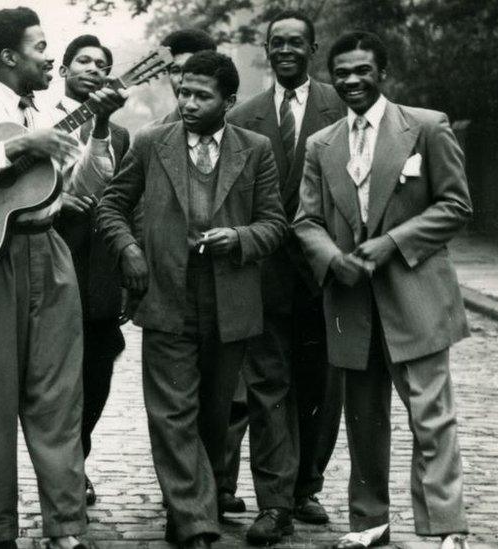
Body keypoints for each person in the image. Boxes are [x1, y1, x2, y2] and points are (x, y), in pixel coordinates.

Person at [0, 7, 126, 548]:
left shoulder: (47, 116)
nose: (49, 56)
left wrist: (100, 126)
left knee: (60, 396)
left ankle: (64, 530)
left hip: (50, 254)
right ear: (9, 56)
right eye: (39, 47)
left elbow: (83, 188)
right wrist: (15, 147)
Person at [98, 51, 286, 549]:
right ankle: (198, 524)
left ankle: (187, 507)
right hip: (167, 298)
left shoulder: (256, 148)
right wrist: (130, 250)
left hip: (229, 301)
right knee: (172, 413)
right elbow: (112, 205)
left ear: (229, 100)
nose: (188, 102)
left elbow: (275, 224)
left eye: (201, 95)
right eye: (183, 92)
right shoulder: (151, 143)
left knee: (212, 415)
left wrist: (239, 238)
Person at [293, 30, 472, 549]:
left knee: (431, 418)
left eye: (362, 71)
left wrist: (392, 242)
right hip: (351, 303)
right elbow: (305, 221)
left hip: (416, 298)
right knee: (364, 420)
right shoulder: (321, 144)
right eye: (341, 72)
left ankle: (446, 527)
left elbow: (456, 206)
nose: (351, 81)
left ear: (383, 73)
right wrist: (334, 260)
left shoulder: (426, 127)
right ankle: (369, 523)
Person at [224, 10, 347, 541]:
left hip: (326, 276)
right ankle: (274, 503)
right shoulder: (246, 116)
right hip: (267, 276)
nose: (287, 50)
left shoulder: (341, 108)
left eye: (297, 42)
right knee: (269, 387)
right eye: (278, 43)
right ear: (267, 49)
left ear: (313, 49)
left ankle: (305, 488)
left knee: (319, 383)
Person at [52, 33, 131, 508]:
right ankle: (58, 468)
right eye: (83, 61)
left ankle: (77, 459)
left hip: (98, 267)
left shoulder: (118, 136)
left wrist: (123, 273)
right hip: (51, 254)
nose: (94, 69)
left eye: (103, 64)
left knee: (97, 370)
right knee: (54, 376)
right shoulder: (40, 119)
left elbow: (123, 203)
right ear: (63, 70)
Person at [155, 29, 217, 125]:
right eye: (175, 71)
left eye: (191, 69)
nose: (182, 79)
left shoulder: (238, 124)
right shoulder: (153, 134)